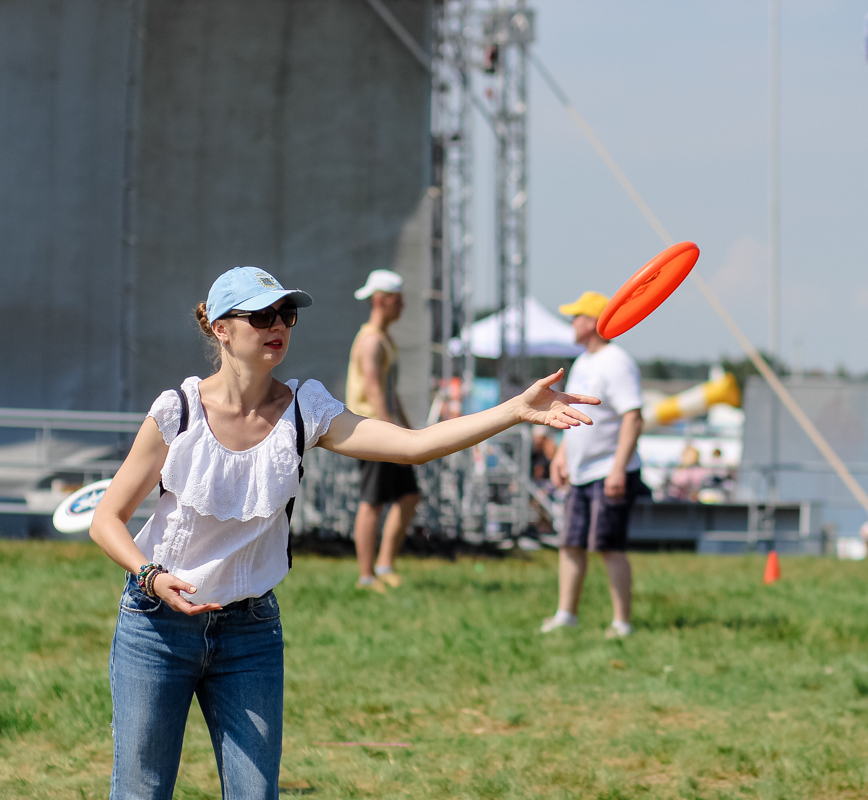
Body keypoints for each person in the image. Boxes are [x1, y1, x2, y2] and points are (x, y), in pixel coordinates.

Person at [89, 266, 598, 799]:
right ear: (221, 328)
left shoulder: (304, 409)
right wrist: (150, 575)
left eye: (286, 314)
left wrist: (515, 410)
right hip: (157, 628)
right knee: (141, 792)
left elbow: (414, 444)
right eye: (261, 315)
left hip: (249, 631)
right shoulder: (180, 411)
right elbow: (107, 520)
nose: (278, 324)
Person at [542, 291, 645, 638]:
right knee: (571, 543)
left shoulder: (617, 361)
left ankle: (622, 623)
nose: (571, 323)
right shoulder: (584, 361)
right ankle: (566, 616)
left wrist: (618, 468)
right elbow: (573, 413)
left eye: (576, 317)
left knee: (609, 546)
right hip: (582, 473)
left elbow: (633, 418)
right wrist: (561, 455)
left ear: (591, 322)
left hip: (609, 473)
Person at [346, 269, 419, 591]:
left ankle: (384, 564)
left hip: (385, 427)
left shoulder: (384, 338)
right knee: (372, 502)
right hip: (371, 431)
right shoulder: (371, 341)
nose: (403, 306)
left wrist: (409, 430)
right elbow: (375, 392)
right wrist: (394, 437)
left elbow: (390, 391)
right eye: (399, 300)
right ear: (382, 300)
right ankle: (366, 577)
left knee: (409, 496)